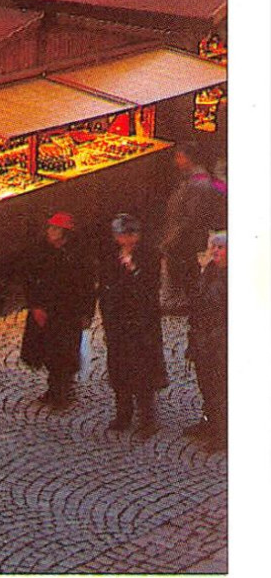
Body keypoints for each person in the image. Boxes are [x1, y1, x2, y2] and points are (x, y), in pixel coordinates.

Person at [16, 211, 96, 409]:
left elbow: (87, 285)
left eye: (55, 229)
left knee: (64, 353)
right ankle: (55, 389)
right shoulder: (40, 251)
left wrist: (87, 312)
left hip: (69, 311)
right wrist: (35, 305)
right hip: (47, 310)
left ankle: (62, 392)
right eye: (50, 228)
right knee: (49, 352)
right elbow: (30, 280)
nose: (50, 232)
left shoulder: (77, 255)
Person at [97, 213, 167, 438]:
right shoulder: (110, 256)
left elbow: (150, 288)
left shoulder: (148, 255)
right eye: (121, 236)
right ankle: (123, 413)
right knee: (120, 369)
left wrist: (134, 271)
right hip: (118, 322)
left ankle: (147, 418)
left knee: (142, 371)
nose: (126, 241)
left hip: (141, 324)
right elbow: (106, 287)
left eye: (130, 235)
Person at [159, 141, 226, 314]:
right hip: (182, 235)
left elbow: (190, 218)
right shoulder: (190, 178)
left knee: (183, 268)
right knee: (185, 267)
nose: (177, 160)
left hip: (185, 238)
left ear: (189, 159)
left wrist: (172, 239)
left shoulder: (198, 184)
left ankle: (187, 302)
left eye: (180, 157)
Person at [184, 231, 227, 452]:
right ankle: (208, 421)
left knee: (221, 388)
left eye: (221, 248)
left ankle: (223, 434)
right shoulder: (207, 272)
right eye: (214, 248)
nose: (216, 252)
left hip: (220, 341)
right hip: (203, 339)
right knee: (206, 385)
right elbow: (197, 302)